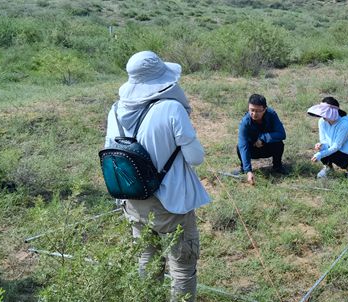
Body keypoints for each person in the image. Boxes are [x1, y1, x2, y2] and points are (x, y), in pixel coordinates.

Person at [104, 51, 210, 302]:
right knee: (182, 266)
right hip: (171, 203)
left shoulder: (116, 110)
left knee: (147, 259)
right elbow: (195, 157)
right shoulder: (171, 108)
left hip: (133, 201)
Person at [236, 93, 287, 185]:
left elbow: (281, 134)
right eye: (252, 110)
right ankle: (244, 169)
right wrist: (248, 170)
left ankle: (277, 166)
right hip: (252, 150)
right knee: (239, 147)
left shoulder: (272, 114)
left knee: (279, 143)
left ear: (265, 109)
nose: (254, 114)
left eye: (258, 111)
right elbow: (243, 145)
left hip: (268, 148)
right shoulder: (245, 122)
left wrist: (263, 138)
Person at [307, 96, 348, 180]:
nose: (323, 116)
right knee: (322, 148)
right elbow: (323, 140)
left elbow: (337, 146)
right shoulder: (322, 121)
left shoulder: (344, 124)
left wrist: (320, 154)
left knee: (331, 153)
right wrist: (321, 145)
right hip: (333, 149)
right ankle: (328, 168)